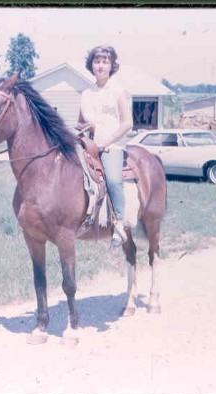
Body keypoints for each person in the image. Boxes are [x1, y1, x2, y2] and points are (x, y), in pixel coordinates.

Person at [76, 45, 133, 247]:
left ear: (111, 65)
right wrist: (84, 127)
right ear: (91, 65)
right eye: (97, 61)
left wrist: (106, 142)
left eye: (105, 62)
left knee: (114, 179)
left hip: (112, 146)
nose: (100, 66)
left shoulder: (119, 91)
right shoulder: (85, 94)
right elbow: (79, 122)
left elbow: (127, 123)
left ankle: (118, 223)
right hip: (88, 144)